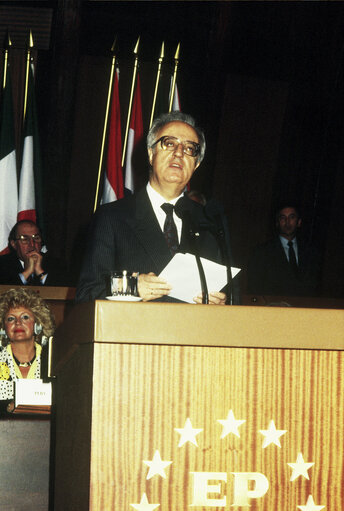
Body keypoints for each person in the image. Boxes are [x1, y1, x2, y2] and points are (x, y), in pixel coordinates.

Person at [76, 111, 239, 304]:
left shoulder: (211, 220)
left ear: (196, 164)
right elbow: (86, 295)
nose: (179, 152)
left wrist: (222, 303)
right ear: (151, 154)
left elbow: (232, 300)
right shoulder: (112, 217)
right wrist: (131, 288)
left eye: (189, 148)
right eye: (169, 143)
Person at [247, 204, 322, 297]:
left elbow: (315, 286)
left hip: (305, 307)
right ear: (277, 223)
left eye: (292, 217)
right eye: (283, 218)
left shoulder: (311, 252)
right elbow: (255, 287)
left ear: (299, 222)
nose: (287, 222)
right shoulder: (262, 252)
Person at [0, 287, 55, 404]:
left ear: (38, 324)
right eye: (10, 319)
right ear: (3, 328)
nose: (18, 322)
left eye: (25, 317)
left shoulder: (53, 360)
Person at [0, 220, 68, 286]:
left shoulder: (56, 264)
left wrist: (40, 272)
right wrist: (27, 272)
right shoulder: (2, 264)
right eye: (25, 239)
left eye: (36, 238)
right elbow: (4, 292)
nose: (32, 244)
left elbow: (63, 291)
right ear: (14, 244)